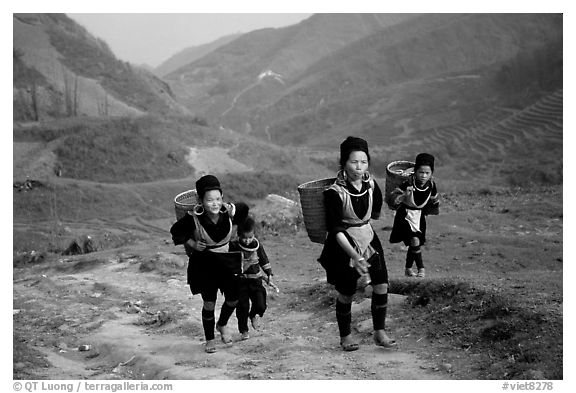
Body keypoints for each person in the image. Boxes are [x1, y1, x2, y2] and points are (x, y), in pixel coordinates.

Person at [318, 136, 396, 351]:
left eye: (363, 161)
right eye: (354, 162)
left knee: (381, 284)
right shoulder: (334, 193)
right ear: (343, 163)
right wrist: (354, 255)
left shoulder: (371, 185)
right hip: (344, 244)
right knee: (347, 292)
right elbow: (335, 230)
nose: (359, 167)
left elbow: (375, 212)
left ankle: (379, 331)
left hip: (368, 236)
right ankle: (345, 336)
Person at [170, 174, 249, 353]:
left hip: (228, 261)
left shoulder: (227, 213)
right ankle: (210, 339)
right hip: (205, 264)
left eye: (218, 199)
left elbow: (244, 209)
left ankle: (222, 324)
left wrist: (230, 208)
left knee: (233, 298)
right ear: (200, 201)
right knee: (209, 303)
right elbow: (175, 231)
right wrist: (192, 244)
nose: (215, 204)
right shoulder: (193, 218)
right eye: (209, 200)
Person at [389, 153, 439, 278]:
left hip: (419, 216)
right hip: (405, 215)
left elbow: (433, 200)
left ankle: (408, 268)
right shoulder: (408, 183)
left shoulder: (431, 186)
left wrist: (432, 209)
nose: (423, 176)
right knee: (414, 240)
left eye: (427, 173)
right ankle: (421, 268)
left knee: (415, 243)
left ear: (431, 173)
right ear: (415, 171)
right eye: (421, 172)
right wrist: (404, 195)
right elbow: (394, 198)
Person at [229, 216, 275, 340]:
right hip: (241, 282)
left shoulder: (257, 246)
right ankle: (243, 330)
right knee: (242, 307)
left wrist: (269, 274)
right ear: (239, 235)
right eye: (244, 237)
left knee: (261, 304)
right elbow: (232, 265)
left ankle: (254, 314)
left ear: (254, 234)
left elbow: (264, 260)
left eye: (250, 237)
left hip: (256, 280)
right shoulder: (233, 246)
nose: (247, 240)